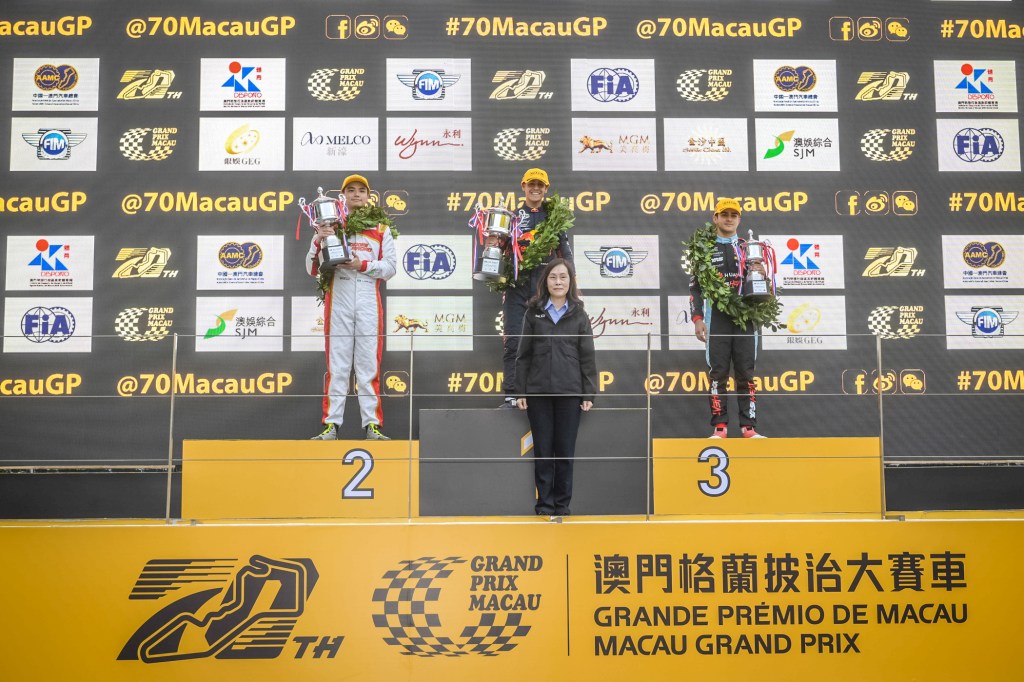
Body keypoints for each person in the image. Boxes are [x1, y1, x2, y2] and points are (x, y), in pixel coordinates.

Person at [308, 174, 396, 440]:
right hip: (339, 300)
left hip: (369, 301)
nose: (356, 194)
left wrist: (362, 265)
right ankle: (331, 426)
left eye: (361, 190)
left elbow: (390, 268)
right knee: (338, 367)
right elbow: (311, 268)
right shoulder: (330, 225)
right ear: (342, 196)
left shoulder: (381, 228)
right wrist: (318, 239)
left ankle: (372, 426)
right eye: (351, 190)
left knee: (368, 366)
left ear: (368, 196)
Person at [515, 258, 597, 516]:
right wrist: (520, 391)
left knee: (564, 452)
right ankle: (544, 505)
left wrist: (588, 392)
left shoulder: (579, 315)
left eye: (563, 277)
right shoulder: (533, 312)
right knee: (543, 452)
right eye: (553, 277)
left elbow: (587, 356)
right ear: (545, 282)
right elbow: (523, 355)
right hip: (538, 393)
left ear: (570, 282)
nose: (558, 282)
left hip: (570, 393)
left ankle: (562, 505)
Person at [689, 198, 766, 438]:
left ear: (739, 219)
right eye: (724, 214)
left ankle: (748, 427)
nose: (729, 219)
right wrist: (698, 318)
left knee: (746, 373)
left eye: (734, 215)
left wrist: (763, 275)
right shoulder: (704, 249)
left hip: (746, 318)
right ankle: (720, 427)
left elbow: (764, 285)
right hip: (716, 319)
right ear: (716, 218)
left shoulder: (748, 247)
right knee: (718, 374)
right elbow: (695, 289)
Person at [498, 168, 574, 408]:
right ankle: (512, 394)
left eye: (540, 185)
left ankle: (544, 393)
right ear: (523, 186)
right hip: (516, 288)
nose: (535, 188)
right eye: (531, 184)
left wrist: (572, 283)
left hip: (545, 289)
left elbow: (565, 254)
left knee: (547, 343)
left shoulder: (554, 218)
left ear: (546, 189)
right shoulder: (512, 217)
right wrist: (493, 244)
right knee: (514, 340)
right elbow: (499, 250)